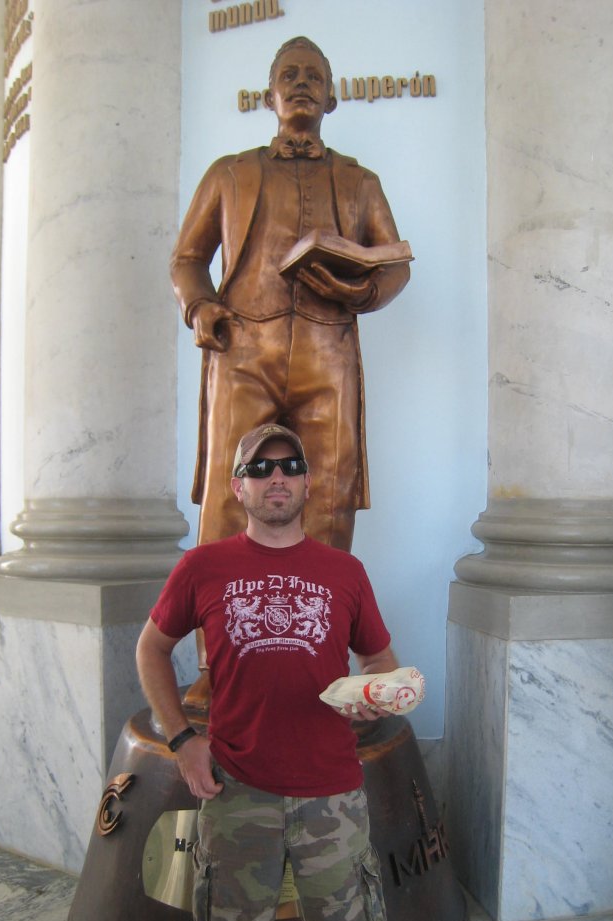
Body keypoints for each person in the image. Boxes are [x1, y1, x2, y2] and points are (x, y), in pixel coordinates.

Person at [136, 423, 402, 921]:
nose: (275, 477)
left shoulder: (344, 572)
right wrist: (180, 738)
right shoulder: (202, 567)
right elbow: (151, 649)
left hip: (330, 791)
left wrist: (377, 691)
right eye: (259, 468)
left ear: (307, 482)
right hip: (237, 788)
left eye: (288, 466)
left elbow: (377, 658)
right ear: (238, 487)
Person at [171, 36, 410, 703]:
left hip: (327, 352)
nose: (300, 83)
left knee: (328, 500)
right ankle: (217, 668)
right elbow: (187, 258)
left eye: (313, 76)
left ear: (332, 97)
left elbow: (393, 261)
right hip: (242, 347)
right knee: (227, 499)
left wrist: (362, 292)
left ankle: (321, 661)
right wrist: (199, 306)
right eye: (287, 75)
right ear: (268, 95)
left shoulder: (360, 182)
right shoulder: (228, 173)